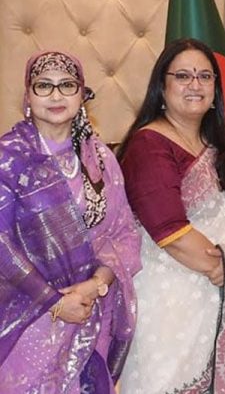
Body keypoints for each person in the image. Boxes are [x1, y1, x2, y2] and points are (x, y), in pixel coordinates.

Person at [117, 38, 225, 393]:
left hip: (224, 301)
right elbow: (171, 233)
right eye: (182, 76)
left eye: (205, 76)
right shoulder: (149, 145)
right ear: (162, 88)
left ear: (215, 90)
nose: (195, 84)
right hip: (170, 312)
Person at [0, 51, 141, 392]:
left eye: (67, 85)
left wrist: (96, 285)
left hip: (90, 308)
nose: (56, 95)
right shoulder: (9, 159)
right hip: (27, 315)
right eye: (43, 85)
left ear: (82, 94)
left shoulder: (100, 159)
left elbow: (124, 231)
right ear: (28, 95)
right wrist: (55, 302)